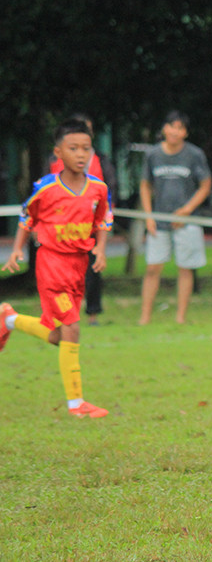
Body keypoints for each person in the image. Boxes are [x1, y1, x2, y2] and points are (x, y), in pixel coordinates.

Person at [1, 119, 112, 418]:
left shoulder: (98, 189)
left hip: (78, 266)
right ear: (58, 153)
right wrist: (15, 250)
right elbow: (27, 217)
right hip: (51, 265)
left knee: (58, 336)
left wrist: (100, 247)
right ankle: (77, 404)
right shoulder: (46, 188)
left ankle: (9, 320)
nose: (80, 154)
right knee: (73, 328)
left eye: (86, 149)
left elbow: (103, 220)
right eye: (73, 148)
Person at [138, 110, 212, 325]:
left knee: (185, 268)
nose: (175, 131)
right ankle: (145, 317)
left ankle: (180, 317)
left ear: (185, 133)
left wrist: (187, 210)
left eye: (180, 128)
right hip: (158, 221)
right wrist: (148, 216)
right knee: (153, 268)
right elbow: (145, 185)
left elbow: (205, 185)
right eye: (172, 126)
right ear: (164, 129)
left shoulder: (194, 154)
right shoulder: (153, 154)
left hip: (187, 222)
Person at [49, 113, 117, 326]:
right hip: (62, 228)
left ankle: (92, 313)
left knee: (91, 271)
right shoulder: (54, 163)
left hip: (89, 227)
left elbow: (108, 196)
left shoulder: (100, 162)